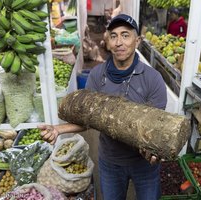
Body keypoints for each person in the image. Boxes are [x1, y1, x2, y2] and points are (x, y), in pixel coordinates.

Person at [38, 14, 167, 200]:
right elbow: (88, 119)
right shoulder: (98, 76)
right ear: (107, 41)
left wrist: (153, 150)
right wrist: (59, 129)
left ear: (137, 41)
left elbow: (156, 126)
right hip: (111, 162)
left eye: (125, 35)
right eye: (113, 36)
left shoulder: (153, 79)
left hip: (144, 165)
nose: (119, 42)